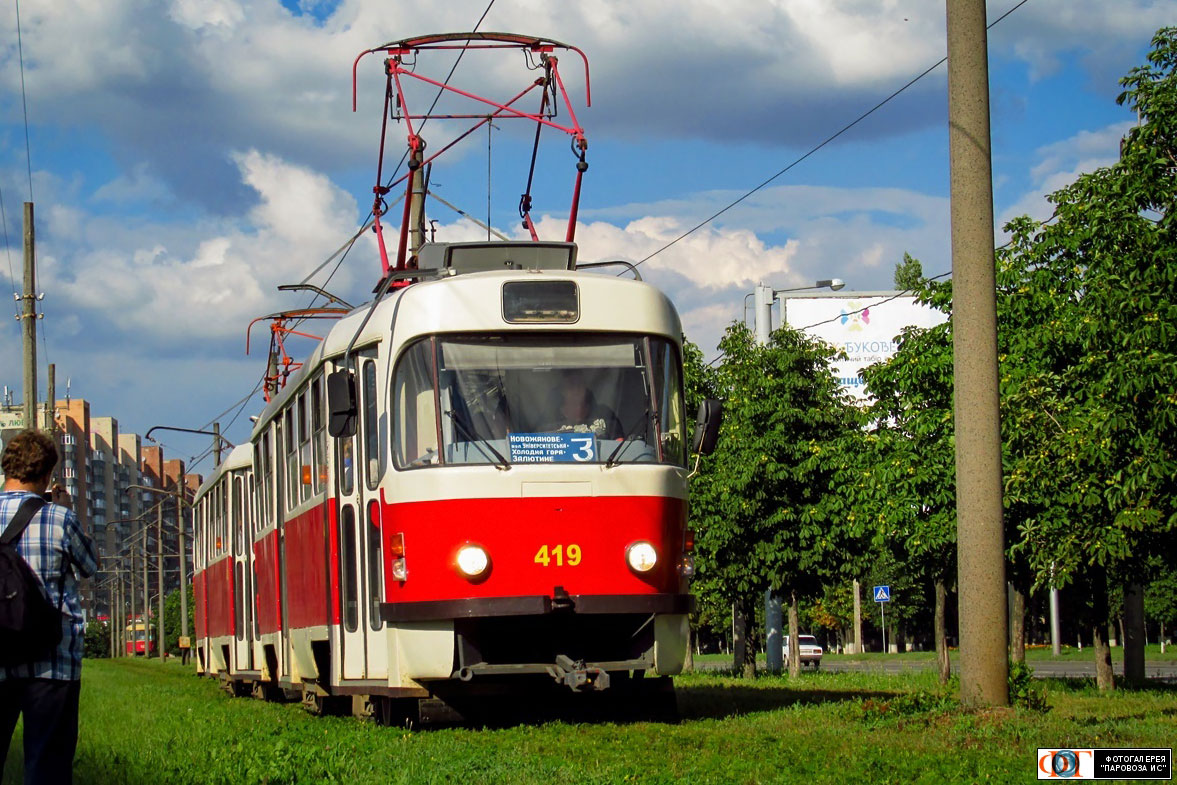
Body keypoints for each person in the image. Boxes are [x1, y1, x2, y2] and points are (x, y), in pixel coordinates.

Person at [0, 430, 98, 785]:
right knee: (47, 766)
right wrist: (65, 508)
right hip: (52, 663)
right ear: (47, 475)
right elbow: (90, 566)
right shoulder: (59, 518)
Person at [542, 370, 622, 439]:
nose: (576, 390)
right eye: (571, 385)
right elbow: (537, 448)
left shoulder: (605, 415)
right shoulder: (549, 420)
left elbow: (619, 444)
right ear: (562, 390)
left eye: (580, 385)